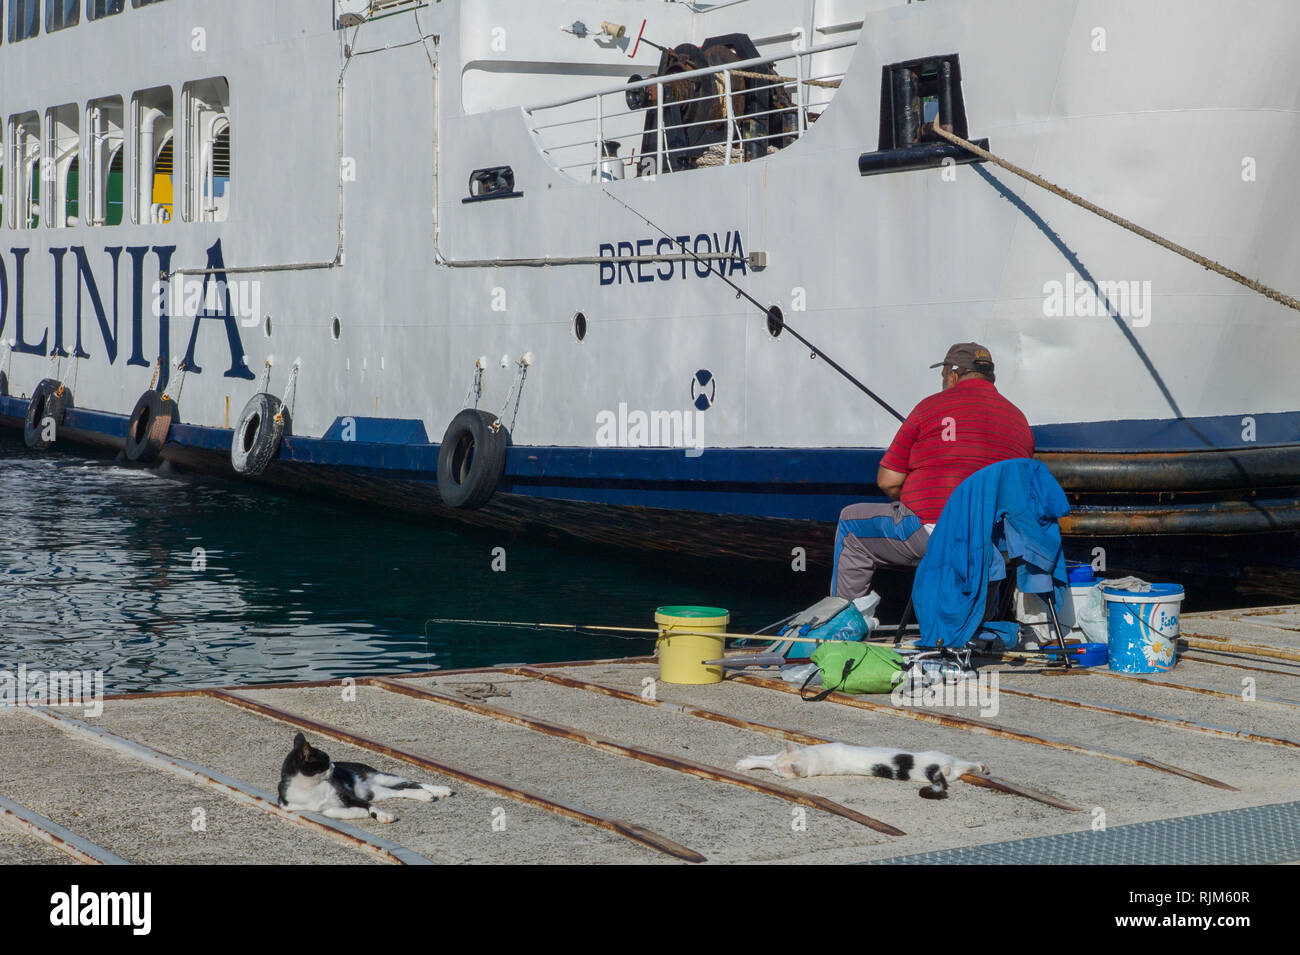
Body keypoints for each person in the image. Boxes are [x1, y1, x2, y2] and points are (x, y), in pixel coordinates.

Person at [831, 343, 1034, 601]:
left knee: (851, 524)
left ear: (953, 374)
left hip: (932, 532)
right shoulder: (1019, 420)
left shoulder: (929, 407)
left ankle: (844, 623)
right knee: (979, 550)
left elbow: (888, 480)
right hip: (991, 541)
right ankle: (977, 627)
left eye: (943, 377)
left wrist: (922, 494)